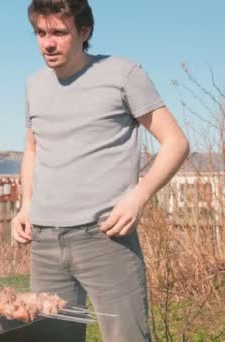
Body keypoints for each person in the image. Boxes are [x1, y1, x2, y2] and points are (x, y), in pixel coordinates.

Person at [11, 1, 189, 341]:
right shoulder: (34, 85)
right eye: (41, 33)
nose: (48, 43)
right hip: (46, 243)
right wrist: (25, 204)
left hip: (105, 239)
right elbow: (33, 149)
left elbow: (176, 143)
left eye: (60, 33)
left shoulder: (123, 74)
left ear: (85, 31)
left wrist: (138, 196)